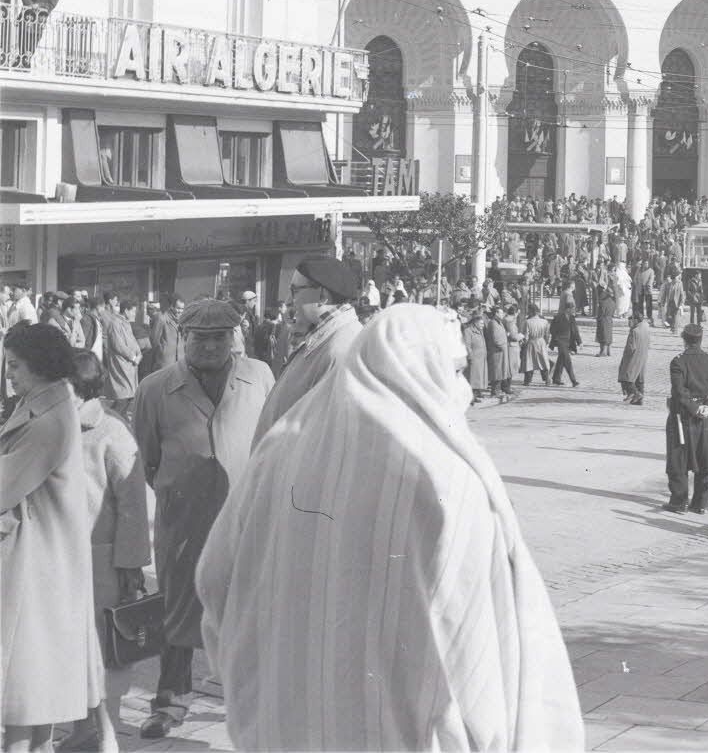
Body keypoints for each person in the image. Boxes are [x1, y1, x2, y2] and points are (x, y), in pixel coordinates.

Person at [195, 304, 585, 752]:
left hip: (285, 728)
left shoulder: (277, 451)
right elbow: (475, 635)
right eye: (456, 370)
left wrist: (252, 675)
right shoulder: (445, 478)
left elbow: (215, 580)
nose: (464, 388)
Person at [132, 299, 274, 739]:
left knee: (249, 609)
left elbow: (273, 441)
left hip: (245, 516)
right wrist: (181, 490)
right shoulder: (154, 388)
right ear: (183, 338)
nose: (211, 346)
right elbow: (147, 459)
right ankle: (170, 701)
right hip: (184, 520)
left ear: (234, 337)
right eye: (200, 337)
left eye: (220, 337)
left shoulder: (260, 377)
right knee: (177, 608)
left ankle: (252, 701)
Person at [0, 323, 105, 753]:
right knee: (33, 695)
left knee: (26, 693)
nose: (9, 375)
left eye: (15, 365)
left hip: (36, 567)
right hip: (41, 562)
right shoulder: (45, 404)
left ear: (40, 365)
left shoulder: (47, 420)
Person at [60, 351, 150, 753]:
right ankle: (83, 730)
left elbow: (133, 504)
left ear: (77, 388)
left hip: (102, 563)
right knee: (73, 649)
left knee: (103, 653)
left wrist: (130, 565)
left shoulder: (110, 430)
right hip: (63, 556)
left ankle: (107, 735)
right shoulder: (56, 425)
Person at [253, 258, 360, 443]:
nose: (288, 301)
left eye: (295, 291)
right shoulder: (327, 340)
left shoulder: (340, 349)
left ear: (322, 296)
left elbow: (328, 441)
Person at [664, 324, 708, 514]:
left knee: (678, 459)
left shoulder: (678, 362)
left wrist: (694, 408)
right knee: (703, 458)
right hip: (705, 417)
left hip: (682, 417)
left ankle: (679, 502)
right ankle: (700, 503)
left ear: (684, 340)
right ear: (700, 340)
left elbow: (679, 391)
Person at [99, 291, 142, 420]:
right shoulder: (115, 323)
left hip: (129, 366)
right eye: (133, 311)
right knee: (122, 399)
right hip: (121, 366)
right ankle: (108, 421)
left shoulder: (126, 323)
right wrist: (133, 357)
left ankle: (119, 421)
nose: (134, 314)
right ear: (126, 311)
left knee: (128, 397)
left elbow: (133, 341)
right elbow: (118, 345)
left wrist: (139, 353)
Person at [617, 314, 650, 405]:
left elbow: (630, 347)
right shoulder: (646, 328)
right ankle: (639, 401)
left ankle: (636, 394)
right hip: (643, 356)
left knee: (626, 377)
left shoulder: (634, 331)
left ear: (635, 320)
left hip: (633, 357)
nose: (629, 323)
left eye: (630, 320)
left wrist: (625, 359)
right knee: (639, 379)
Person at [484, 307, 513, 402]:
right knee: (497, 371)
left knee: (500, 371)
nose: (503, 314)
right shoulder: (493, 323)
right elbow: (496, 339)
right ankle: (495, 391)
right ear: (496, 313)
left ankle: (497, 390)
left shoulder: (499, 322)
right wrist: (502, 346)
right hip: (497, 351)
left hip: (501, 351)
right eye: (501, 312)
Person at [549, 300, 580, 387]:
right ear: (567, 309)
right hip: (560, 341)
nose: (574, 310)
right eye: (572, 309)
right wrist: (556, 337)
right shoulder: (558, 317)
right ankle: (573, 380)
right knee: (567, 360)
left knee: (561, 360)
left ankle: (556, 379)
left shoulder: (572, 318)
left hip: (568, 342)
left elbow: (575, 331)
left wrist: (579, 342)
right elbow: (552, 329)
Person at [521, 303, 552, 386]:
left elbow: (526, 335)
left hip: (531, 342)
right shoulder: (545, 322)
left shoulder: (527, 322)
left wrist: (524, 343)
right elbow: (547, 334)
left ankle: (527, 380)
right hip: (541, 342)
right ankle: (547, 379)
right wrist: (545, 342)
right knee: (543, 361)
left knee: (529, 361)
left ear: (531, 311)